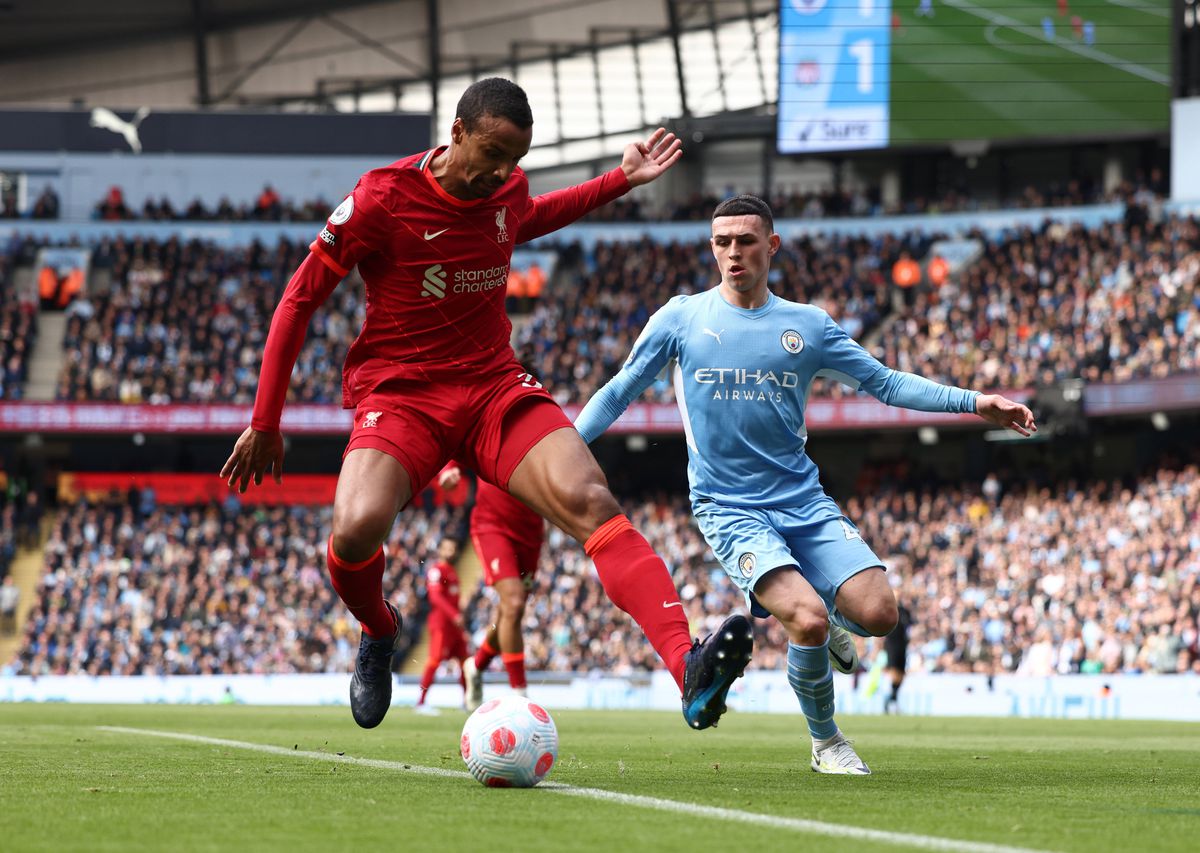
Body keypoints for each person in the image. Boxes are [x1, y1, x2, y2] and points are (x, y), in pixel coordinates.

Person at [220, 77, 751, 732]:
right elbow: (300, 298)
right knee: (355, 530)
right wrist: (265, 420)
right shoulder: (381, 198)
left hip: (493, 384)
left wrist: (619, 180)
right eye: (493, 153)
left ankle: (688, 664)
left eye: (516, 161)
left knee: (590, 497)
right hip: (403, 393)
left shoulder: (506, 189)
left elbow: (529, 216)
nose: (502, 173)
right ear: (458, 132)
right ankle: (380, 628)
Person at [574, 194, 1037, 773]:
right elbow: (618, 391)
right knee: (809, 620)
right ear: (711, 248)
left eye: (746, 241)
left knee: (880, 615)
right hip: (727, 505)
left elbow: (885, 384)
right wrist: (561, 450)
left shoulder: (807, 325)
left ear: (772, 245)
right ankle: (827, 742)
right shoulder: (681, 319)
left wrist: (973, 403)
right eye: (722, 242)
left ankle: (821, 619)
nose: (733, 253)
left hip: (802, 499)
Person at [437, 461, 544, 709]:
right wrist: (449, 468)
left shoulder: (542, 425)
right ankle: (521, 696)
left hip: (531, 533)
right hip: (491, 525)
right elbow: (460, 433)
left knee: (510, 612)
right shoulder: (490, 421)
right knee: (514, 602)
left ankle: (476, 666)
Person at [415, 538, 469, 715]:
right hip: (442, 624)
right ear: (440, 550)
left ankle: (467, 701)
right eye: (447, 548)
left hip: (454, 626)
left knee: (465, 662)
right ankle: (421, 703)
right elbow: (435, 598)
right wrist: (454, 615)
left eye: (453, 548)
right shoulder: (436, 571)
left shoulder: (451, 570)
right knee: (434, 660)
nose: (450, 551)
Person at [882, 600, 914, 714]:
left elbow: (911, 626)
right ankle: (892, 699)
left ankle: (892, 697)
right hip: (892, 645)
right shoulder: (887, 610)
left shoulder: (905, 611)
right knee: (894, 672)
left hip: (903, 645)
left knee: (901, 674)